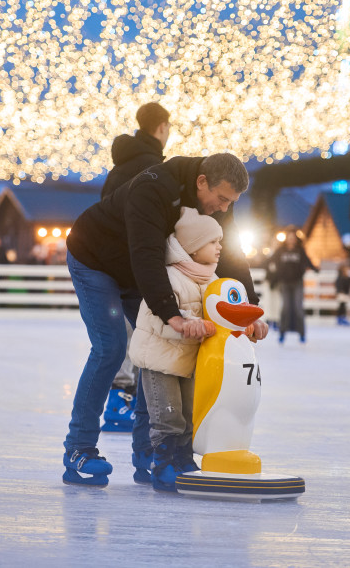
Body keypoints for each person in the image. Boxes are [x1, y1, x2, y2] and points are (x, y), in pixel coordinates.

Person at [61, 153, 265, 487]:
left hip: (140, 272)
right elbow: (146, 254)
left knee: (159, 350)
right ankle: (79, 449)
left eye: (231, 202)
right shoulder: (153, 188)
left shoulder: (217, 198)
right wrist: (171, 314)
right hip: (96, 260)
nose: (224, 208)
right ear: (202, 182)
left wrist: (249, 308)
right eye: (222, 199)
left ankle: (149, 451)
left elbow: (230, 252)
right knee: (111, 348)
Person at [128, 207, 221, 491]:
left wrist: (249, 323)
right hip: (160, 361)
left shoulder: (212, 280)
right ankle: (162, 465)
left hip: (188, 362)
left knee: (189, 415)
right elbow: (157, 318)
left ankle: (183, 460)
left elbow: (225, 312)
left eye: (220, 242)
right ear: (193, 247)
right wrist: (188, 323)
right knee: (168, 416)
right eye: (213, 242)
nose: (219, 248)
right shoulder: (168, 277)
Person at [99, 103, 171, 432]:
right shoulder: (153, 169)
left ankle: (123, 401)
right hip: (134, 263)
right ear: (162, 127)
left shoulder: (120, 168)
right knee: (140, 332)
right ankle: (125, 404)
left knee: (124, 333)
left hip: (111, 261)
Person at [272, 229, 318, 344]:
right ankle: (282, 333)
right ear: (286, 239)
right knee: (285, 308)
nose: (291, 240)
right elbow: (272, 260)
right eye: (289, 237)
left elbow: (307, 261)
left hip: (297, 282)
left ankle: (302, 334)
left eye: (293, 238)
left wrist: (315, 268)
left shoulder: (300, 250)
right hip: (284, 282)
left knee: (298, 307)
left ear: (296, 239)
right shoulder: (281, 251)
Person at [335, 261, 350, 326]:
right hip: (342, 293)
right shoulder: (341, 277)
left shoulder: (346, 277)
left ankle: (342, 318)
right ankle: (341, 318)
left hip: (345, 293)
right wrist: (340, 290)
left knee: (343, 306)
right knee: (342, 306)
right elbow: (338, 284)